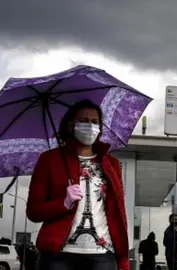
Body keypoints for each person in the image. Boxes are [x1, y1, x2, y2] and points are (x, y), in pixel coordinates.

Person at [26, 100, 129, 270]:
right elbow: (33, 211)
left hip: (103, 254)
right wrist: (63, 203)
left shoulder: (112, 164)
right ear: (71, 124)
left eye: (95, 122)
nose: (90, 126)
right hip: (59, 255)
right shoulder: (50, 160)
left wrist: (123, 259)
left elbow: (119, 212)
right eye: (83, 120)